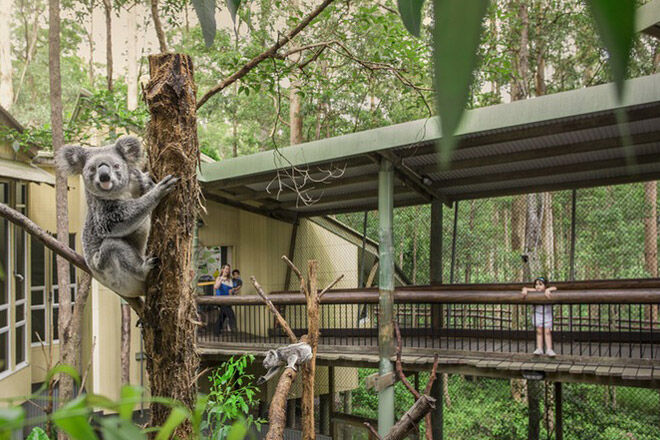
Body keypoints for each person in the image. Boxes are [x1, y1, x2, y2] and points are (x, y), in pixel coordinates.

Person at [521, 277, 557, 357]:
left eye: (540, 284)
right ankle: (539, 349)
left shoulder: (547, 291)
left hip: (547, 315)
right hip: (537, 315)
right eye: (536, 284)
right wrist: (525, 290)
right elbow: (525, 288)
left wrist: (548, 290)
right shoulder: (535, 292)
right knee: (539, 332)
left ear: (545, 286)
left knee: (547, 332)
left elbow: (555, 288)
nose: (538, 286)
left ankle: (549, 349)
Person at [214, 264, 237, 334]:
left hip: (228, 301)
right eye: (226, 269)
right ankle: (234, 332)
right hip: (221, 300)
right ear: (222, 270)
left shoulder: (230, 280)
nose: (227, 270)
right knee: (231, 315)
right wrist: (221, 279)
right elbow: (216, 287)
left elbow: (230, 291)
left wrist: (234, 292)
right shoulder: (219, 278)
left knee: (222, 316)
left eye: (228, 269)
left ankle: (216, 332)